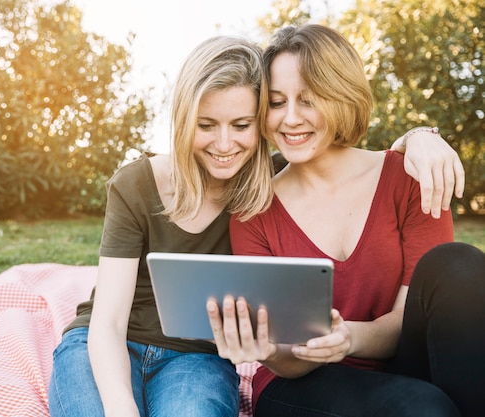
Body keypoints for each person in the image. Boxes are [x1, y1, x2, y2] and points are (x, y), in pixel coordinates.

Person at [48, 34, 465, 417]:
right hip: (123, 345)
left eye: (242, 125)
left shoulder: (265, 183)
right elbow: (107, 322)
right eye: (206, 125)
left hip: (197, 357)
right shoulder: (177, 190)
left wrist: (420, 136)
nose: (225, 145)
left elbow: (341, 149)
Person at [206, 24, 485, 417]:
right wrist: (268, 349)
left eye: (308, 99)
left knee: (459, 262)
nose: (289, 119)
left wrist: (348, 336)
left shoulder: (410, 176)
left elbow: (409, 320)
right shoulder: (254, 209)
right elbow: (284, 356)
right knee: (424, 408)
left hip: (400, 364)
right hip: (302, 381)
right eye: (276, 102)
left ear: (341, 95)